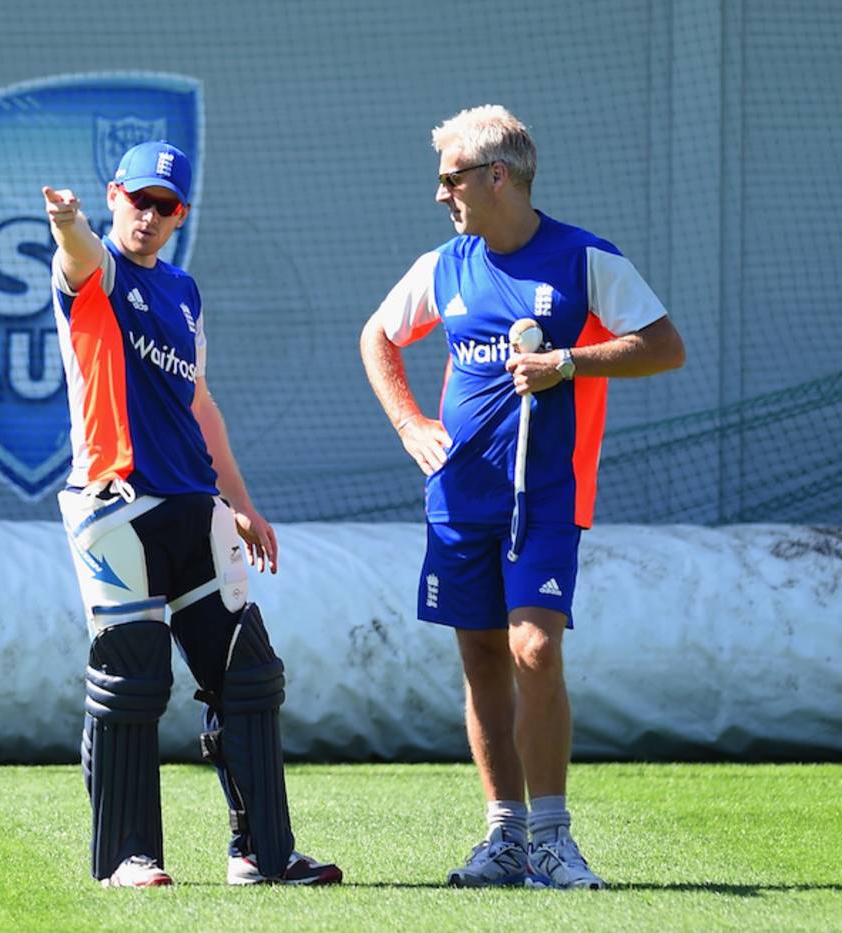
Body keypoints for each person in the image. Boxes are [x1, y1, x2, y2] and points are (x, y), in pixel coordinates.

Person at [359, 105, 685, 890]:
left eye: (451, 178)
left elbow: (664, 346)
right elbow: (377, 336)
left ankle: (552, 839)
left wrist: (568, 362)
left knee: (534, 649)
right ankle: (505, 836)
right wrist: (411, 425)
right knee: (480, 659)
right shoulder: (444, 264)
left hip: (544, 496)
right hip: (459, 498)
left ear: (496, 177)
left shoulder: (583, 259)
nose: (442, 194)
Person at [44, 140, 342, 889]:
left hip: (193, 505)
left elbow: (200, 402)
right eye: (137, 198)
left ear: (181, 214)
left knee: (247, 674)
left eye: (164, 205)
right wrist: (69, 224)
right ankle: (126, 856)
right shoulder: (98, 271)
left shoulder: (183, 291)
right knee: (132, 678)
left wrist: (241, 502)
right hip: (115, 502)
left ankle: (263, 854)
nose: (148, 214)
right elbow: (79, 255)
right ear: (115, 195)